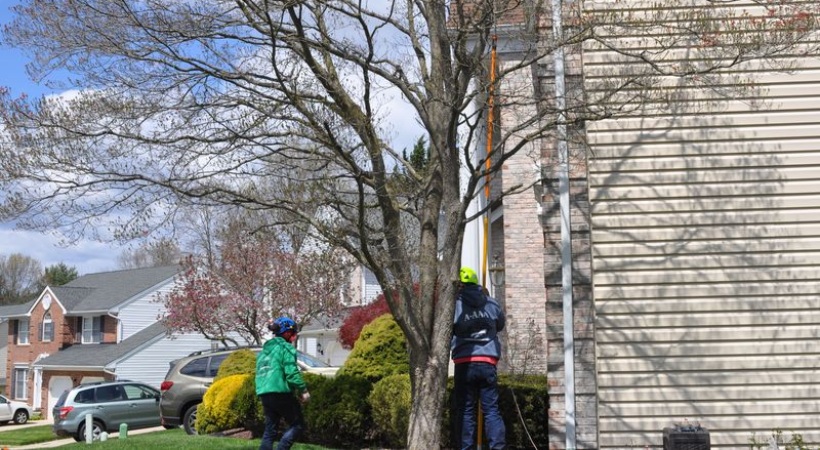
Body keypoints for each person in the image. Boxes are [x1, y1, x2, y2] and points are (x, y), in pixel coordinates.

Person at [452, 266, 507, 450]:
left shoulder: (454, 306)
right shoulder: (491, 304)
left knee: (466, 410)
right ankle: (497, 447)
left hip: (464, 363)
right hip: (488, 362)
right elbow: (499, 325)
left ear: (459, 285)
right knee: (491, 410)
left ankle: (466, 448)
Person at [256, 316, 310, 450]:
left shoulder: (264, 351)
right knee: (297, 425)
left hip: (264, 393)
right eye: (293, 333)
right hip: (280, 392)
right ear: (287, 333)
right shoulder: (285, 348)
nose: (295, 336)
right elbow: (291, 373)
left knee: (270, 431)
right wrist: (303, 390)